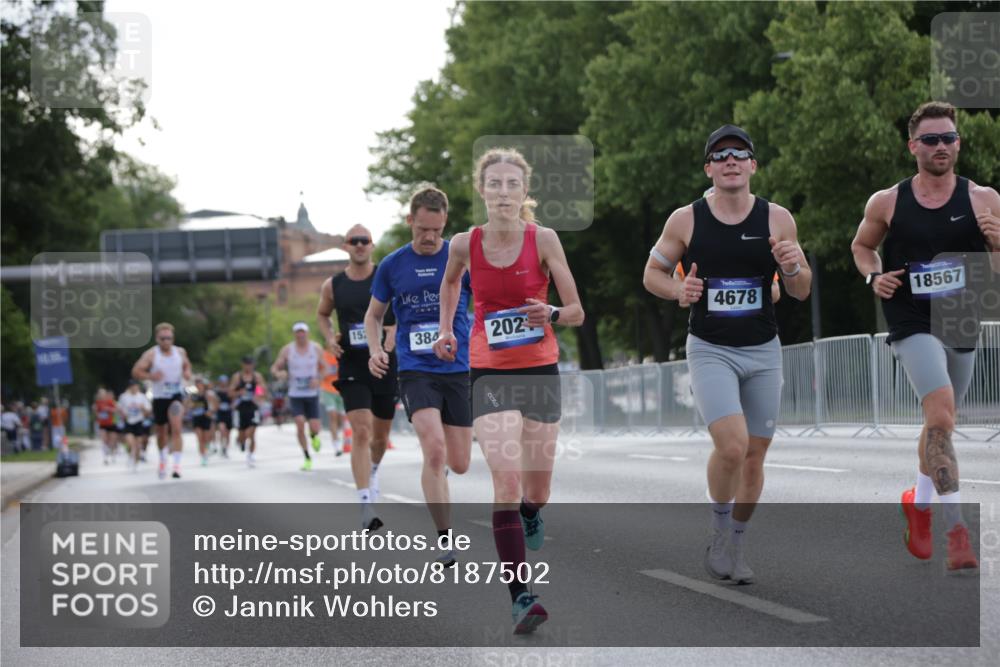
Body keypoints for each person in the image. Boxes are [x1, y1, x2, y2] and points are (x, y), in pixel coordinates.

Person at [643, 125, 812, 585]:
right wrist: (680, 289)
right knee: (733, 445)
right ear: (709, 168)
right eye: (721, 156)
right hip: (711, 348)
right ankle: (719, 529)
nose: (730, 160)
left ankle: (736, 541)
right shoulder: (686, 219)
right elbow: (651, 274)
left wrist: (793, 265)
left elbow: (799, 290)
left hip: (763, 350)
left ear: (753, 165)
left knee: (755, 456)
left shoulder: (778, 219)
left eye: (740, 154)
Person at [434, 148, 585, 634]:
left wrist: (554, 313)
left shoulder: (544, 239)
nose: (503, 193)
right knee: (507, 481)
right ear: (482, 190)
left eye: (511, 185)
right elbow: (451, 284)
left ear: (524, 192)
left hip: (539, 369)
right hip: (489, 369)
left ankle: (529, 513)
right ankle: (521, 595)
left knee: (536, 491)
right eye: (494, 184)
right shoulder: (463, 243)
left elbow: (577, 310)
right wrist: (447, 329)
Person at [851, 102, 998, 574]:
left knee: (943, 425)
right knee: (939, 411)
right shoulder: (887, 202)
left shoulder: (984, 200)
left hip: (961, 316)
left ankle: (919, 500)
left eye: (949, 138)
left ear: (958, 143)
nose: (941, 147)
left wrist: (998, 243)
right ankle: (956, 530)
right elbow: (862, 247)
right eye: (931, 140)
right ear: (913, 146)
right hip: (910, 317)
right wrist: (874, 278)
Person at [367, 185, 474, 567]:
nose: (429, 238)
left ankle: (441, 470)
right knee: (434, 448)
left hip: (458, 368)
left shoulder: (459, 256)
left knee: (459, 463)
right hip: (415, 369)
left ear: (444, 223)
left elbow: (487, 299)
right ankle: (445, 539)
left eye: (435, 230)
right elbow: (374, 315)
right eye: (421, 230)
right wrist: (378, 349)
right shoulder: (393, 265)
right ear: (410, 221)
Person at [317, 224, 398, 531]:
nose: (360, 245)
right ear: (346, 247)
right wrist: (328, 338)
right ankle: (365, 503)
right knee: (361, 431)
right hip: (352, 363)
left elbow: (403, 310)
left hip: (384, 362)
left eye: (365, 241)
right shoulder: (333, 285)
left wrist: (393, 333)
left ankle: (373, 470)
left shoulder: (386, 276)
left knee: (380, 436)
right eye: (355, 241)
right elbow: (323, 314)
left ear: (372, 245)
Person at [132, 322, 193, 479]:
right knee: (161, 432)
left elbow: (187, 366)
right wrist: (151, 376)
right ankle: (163, 459)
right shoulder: (151, 355)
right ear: (157, 339)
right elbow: (136, 371)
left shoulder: (180, 352)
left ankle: (177, 466)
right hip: (159, 397)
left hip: (175, 396)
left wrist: (187, 373)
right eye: (163, 338)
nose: (166, 341)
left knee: (177, 427)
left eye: (169, 338)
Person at [271, 322, 328, 471]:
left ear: (307, 333)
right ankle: (307, 457)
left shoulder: (315, 348)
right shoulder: (288, 350)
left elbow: (326, 368)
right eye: (298, 332)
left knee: (314, 426)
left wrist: (319, 379)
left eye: (303, 332)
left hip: (312, 393)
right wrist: (279, 373)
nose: (300, 335)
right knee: (300, 423)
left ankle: (314, 435)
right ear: (294, 334)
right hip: (295, 393)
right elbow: (275, 367)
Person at [230, 355, 268, 468]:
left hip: (253, 407)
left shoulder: (257, 377)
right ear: (243, 365)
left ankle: (250, 455)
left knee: (251, 433)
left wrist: (258, 394)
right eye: (246, 364)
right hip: (241, 407)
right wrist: (239, 392)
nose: (248, 366)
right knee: (242, 435)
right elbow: (230, 393)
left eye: (250, 364)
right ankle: (240, 441)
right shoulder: (237, 377)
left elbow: (262, 391)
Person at [118, 380, 152, 472]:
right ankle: (130, 455)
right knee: (130, 443)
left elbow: (148, 411)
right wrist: (122, 414)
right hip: (128, 422)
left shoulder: (142, 397)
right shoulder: (124, 397)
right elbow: (119, 408)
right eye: (132, 386)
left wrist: (143, 408)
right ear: (129, 387)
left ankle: (135, 463)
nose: (134, 388)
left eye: (136, 386)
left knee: (137, 445)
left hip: (139, 423)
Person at [320, 349, 346, 457]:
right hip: (327, 389)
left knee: (341, 418)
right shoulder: (322, 355)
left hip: (340, 389)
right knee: (333, 416)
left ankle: (338, 435)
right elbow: (317, 371)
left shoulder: (341, 353)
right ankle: (336, 445)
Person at [188, 377, 218, 467]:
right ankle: (203, 456)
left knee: (206, 438)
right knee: (200, 439)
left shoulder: (208, 394)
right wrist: (191, 406)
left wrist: (211, 412)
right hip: (197, 418)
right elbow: (188, 406)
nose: (198, 385)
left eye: (200, 384)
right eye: (197, 384)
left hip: (206, 418)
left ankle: (207, 449)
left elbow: (215, 405)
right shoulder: (193, 395)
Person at [93, 389, 119, 464]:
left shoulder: (110, 401)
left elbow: (116, 410)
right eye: (100, 394)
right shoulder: (97, 403)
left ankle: (113, 454)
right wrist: (97, 414)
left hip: (111, 423)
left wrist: (109, 409)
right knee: (104, 440)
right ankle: (105, 457)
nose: (102, 395)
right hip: (102, 424)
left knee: (112, 441)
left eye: (103, 394)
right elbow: (96, 413)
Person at [213, 375, 234, 458]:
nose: (223, 383)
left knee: (228, 433)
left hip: (228, 413)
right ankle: (222, 446)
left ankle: (226, 449)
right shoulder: (216, 391)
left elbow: (233, 400)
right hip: (220, 413)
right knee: (222, 430)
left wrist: (232, 406)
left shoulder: (230, 391)